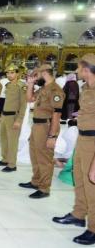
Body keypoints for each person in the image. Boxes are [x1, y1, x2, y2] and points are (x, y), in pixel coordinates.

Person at [53, 54, 95, 245]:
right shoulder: (86, 87)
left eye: (79, 68)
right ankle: (79, 214)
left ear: (87, 69)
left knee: (92, 185)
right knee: (79, 178)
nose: (76, 71)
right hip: (83, 138)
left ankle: (93, 229)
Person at [19, 64, 64, 199]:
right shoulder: (44, 88)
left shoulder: (56, 90)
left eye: (36, 74)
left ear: (44, 72)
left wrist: (52, 135)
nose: (34, 76)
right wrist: (31, 84)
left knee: (44, 158)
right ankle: (36, 181)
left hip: (46, 126)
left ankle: (44, 188)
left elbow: (57, 114)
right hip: (37, 126)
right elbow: (29, 99)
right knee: (34, 155)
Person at [0, 65, 27, 172]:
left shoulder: (21, 86)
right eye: (8, 73)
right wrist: (2, 116)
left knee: (12, 142)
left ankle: (12, 164)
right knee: (4, 139)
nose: (9, 75)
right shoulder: (8, 85)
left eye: (12, 72)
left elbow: (23, 105)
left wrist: (19, 120)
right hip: (5, 116)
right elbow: (7, 102)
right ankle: (5, 159)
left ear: (17, 74)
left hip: (14, 117)